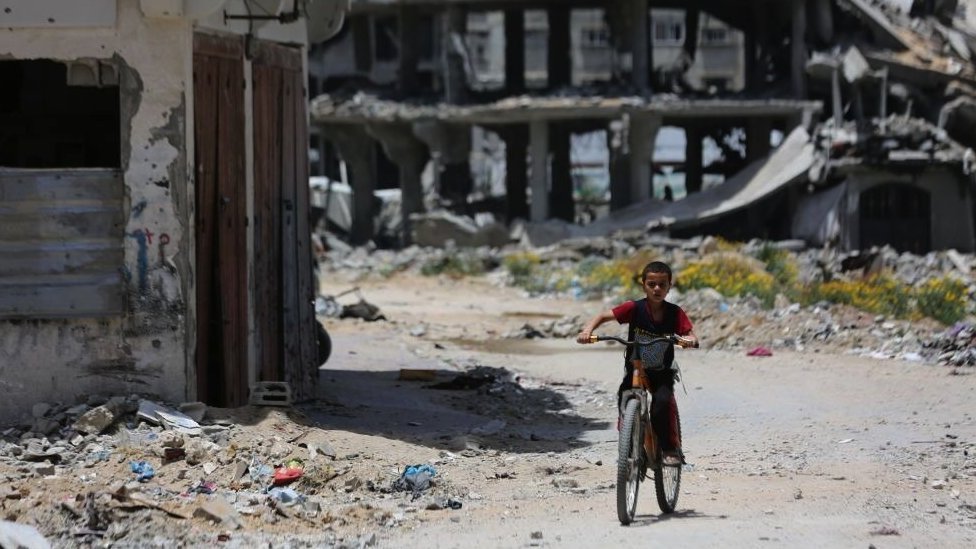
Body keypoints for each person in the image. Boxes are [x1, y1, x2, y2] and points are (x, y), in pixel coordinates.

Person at [576, 260, 698, 465]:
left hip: (662, 370)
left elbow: (689, 333)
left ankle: (669, 449)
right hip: (636, 367)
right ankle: (629, 436)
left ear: (669, 286)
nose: (657, 289)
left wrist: (690, 340)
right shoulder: (634, 308)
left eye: (662, 284)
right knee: (624, 395)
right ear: (644, 286)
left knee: (661, 404)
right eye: (651, 284)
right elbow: (603, 316)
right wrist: (587, 331)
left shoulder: (675, 313)